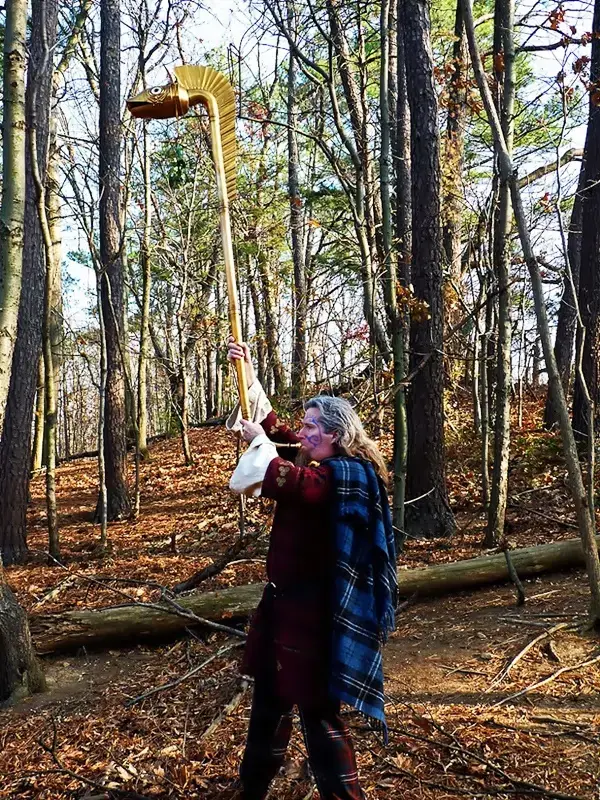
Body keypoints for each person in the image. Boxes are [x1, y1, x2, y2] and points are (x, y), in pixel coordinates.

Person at [226, 338, 397, 800]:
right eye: (304, 425)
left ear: (337, 435)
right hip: (283, 607)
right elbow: (277, 434)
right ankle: (252, 789)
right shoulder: (318, 460)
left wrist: (260, 445)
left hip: (317, 615)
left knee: (319, 716)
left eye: (312, 427)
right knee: (268, 704)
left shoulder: (348, 474)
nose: (303, 433)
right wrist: (247, 372)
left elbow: (293, 481)